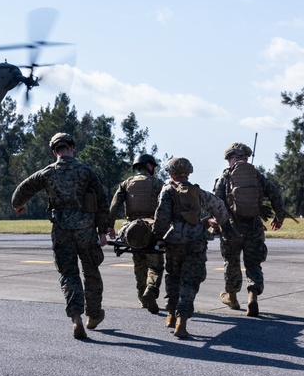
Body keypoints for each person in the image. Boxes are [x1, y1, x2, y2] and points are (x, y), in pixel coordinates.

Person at [12, 132, 110, 340]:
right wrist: (102, 231)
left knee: (69, 273)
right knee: (91, 270)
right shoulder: (86, 172)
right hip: (85, 230)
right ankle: (94, 315)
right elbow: (102, 201)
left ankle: (76, 318)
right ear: (72, 148)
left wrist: (18, 205)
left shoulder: (46, 173)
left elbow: (22, 190)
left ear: (54, 151)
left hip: (61, 229)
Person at [151, 157, 228, 339]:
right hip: (196, 241)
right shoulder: (198, 192)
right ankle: (182, 321)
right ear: (189, 173)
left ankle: (170, 315)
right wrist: (217, 223)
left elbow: (161, 217)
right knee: (190, 281)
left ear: (171, 173)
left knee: (173, 277)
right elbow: (220, 208)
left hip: (174, 242)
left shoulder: (167, 191)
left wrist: (157, 237)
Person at [212, 142, 286, 317]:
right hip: (254, 227)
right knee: (253, 263)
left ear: (232, 158)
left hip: (231, 229)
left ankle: (232, 297)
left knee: (231, 262)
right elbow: (275, 194)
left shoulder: (225, 177)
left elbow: (216, 202)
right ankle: (252, 295)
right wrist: (279, 217)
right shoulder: (257, 176)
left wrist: (217, 223)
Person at [108, 153, 165, 313]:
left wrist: (110, 226)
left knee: (139, 265)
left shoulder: (125, 184)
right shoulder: (157, 184)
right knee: (155, 265)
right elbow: (167, 207)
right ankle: (151, 291)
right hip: (152, 231)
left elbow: (114, 207)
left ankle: (142, 298)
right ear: (148, 165)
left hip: (132, 232)